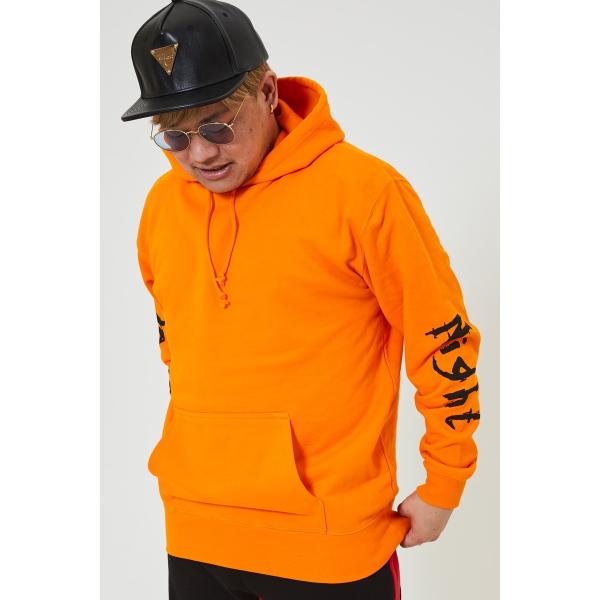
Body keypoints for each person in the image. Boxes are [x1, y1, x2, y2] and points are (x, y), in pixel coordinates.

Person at [121, 1, 482, 599]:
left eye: (217, 126)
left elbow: (443, 337)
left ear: (267, 92)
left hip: (328, 542)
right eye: (175, 137)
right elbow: (175, 340)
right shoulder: (164, 204)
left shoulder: (365, 193)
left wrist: (446, 479)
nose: (201, 154)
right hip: (196, 530)